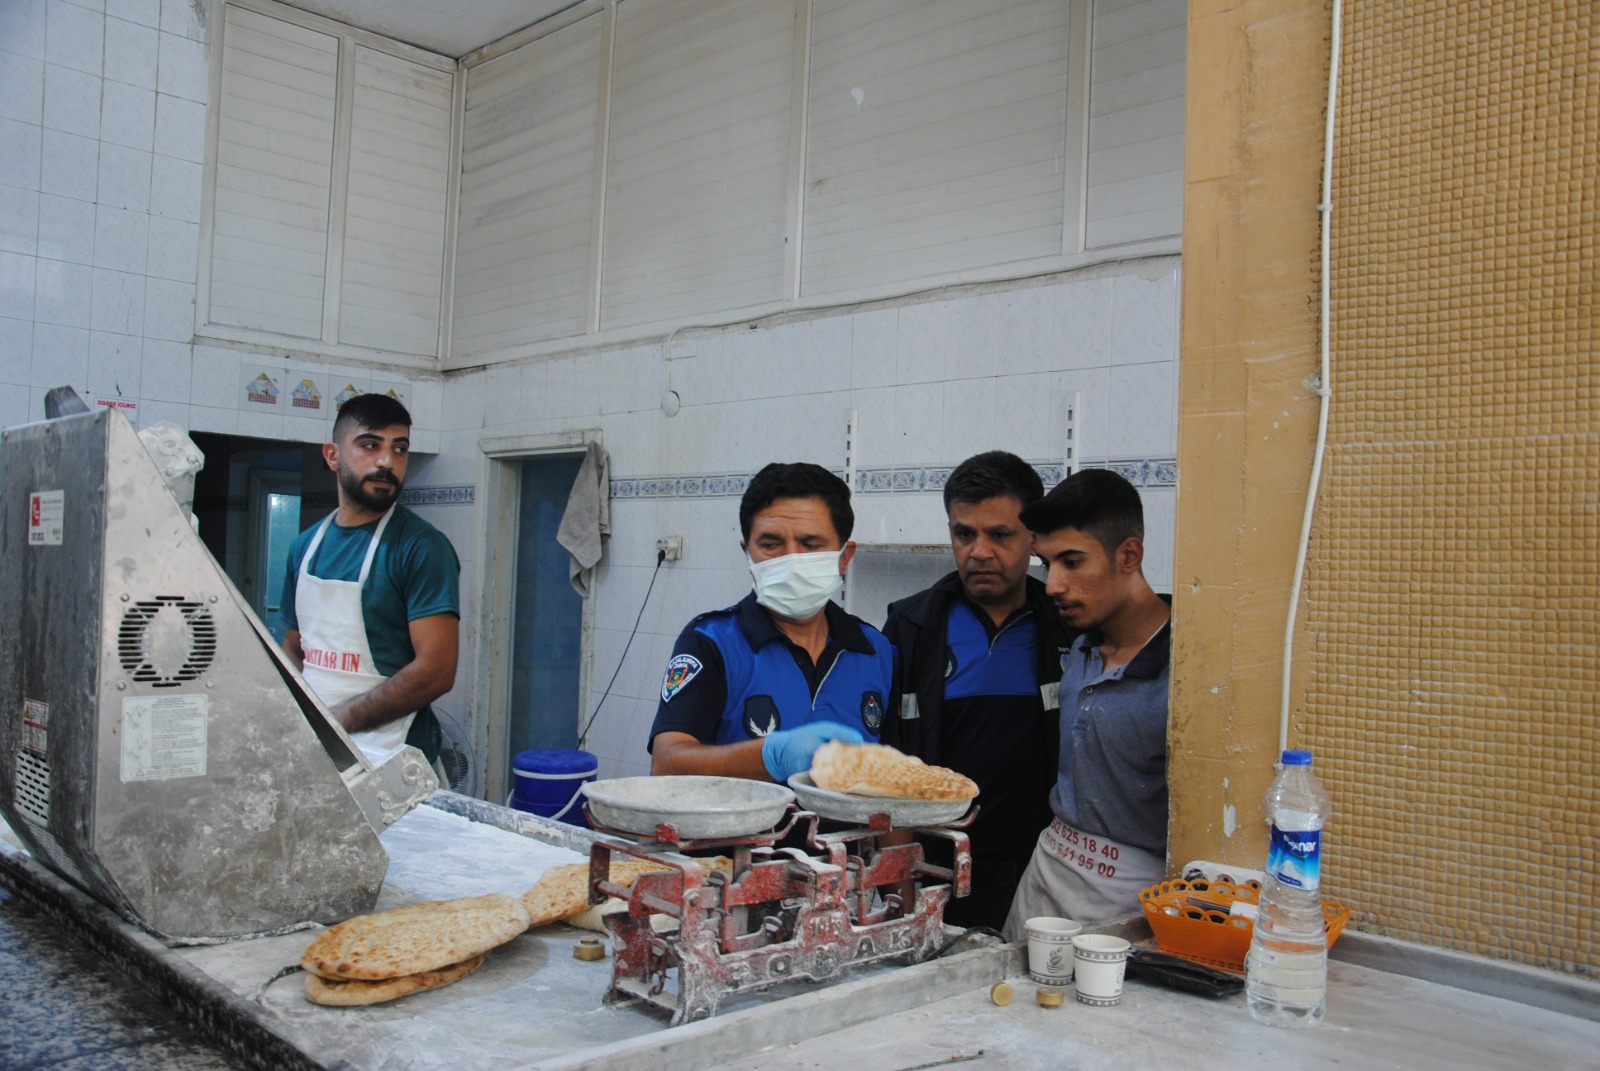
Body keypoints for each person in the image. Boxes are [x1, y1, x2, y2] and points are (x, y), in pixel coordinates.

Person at [879, 451, 1073, 930]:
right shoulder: (911, 628)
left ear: (1033, 539)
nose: (979, 551)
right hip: (934, 885)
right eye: (964, 534)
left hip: (1045, 887)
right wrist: (899, 882)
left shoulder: (1069, 631)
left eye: (999, 535)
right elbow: (885, 763)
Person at [1002, 468, 1172, 939]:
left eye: (1073, 562)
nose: (1053, 584)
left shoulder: (1185, 668)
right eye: (1048, 565)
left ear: (1128, 555)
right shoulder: (1079, 648)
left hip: (1130, 894)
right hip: (1048, 869)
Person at [649, 462, 896, 784]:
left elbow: (895, 779)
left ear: (844, 557)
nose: (790, 561)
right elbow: (667, 763)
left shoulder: (875, 650)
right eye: (770, 545)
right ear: (747, 553)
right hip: (740, 833)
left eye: (810, 545)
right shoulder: (711, 642)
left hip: (848, 835)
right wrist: (769, 756)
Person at [281, 393, 460, 765]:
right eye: (369, 445)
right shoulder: (304, 547)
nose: (387, 462)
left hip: (393, 759)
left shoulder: (421, 548)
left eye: (400, 449)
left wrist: (338, 722)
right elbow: (295, 649)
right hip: (316, 752)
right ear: (333, 456)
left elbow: (436, 672)